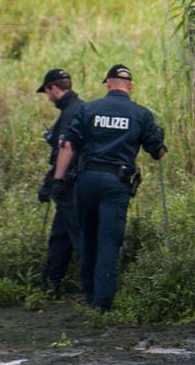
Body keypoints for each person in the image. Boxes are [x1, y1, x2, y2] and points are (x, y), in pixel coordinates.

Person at [46, 65, 166, 314]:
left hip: (87, 180)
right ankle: (103, 302)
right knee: (109, 240)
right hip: (116, 184)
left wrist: (57, 181)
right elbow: (158, 153)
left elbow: (67, 146)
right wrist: (160, 139)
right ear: (130, 86)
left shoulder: (88, 109)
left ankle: (88, 293)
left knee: (88, 237)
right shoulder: (140, 114)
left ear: (108, 83)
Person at [36, 68, 82, 298]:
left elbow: (65, 151)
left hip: (69, 183)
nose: (48, 98)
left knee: (76, 234)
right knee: (61, 235)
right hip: (71, 182)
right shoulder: (76, 108)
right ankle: (50, 283)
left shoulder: (70, 112)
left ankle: (91, 289)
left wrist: (53, 182)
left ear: (54, 88)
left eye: (47, 93)